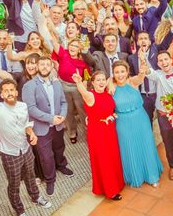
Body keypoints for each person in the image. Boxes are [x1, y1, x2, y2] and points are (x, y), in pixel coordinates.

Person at [0, 78, 51, 216]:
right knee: (14, 183)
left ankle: (36, 197)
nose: (9, 93)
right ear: (2, 95)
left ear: (16, 92)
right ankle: (20, 211)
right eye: (6, 91)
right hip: (9, 154)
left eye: (11, 90)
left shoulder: (23, 106)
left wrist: (31, 133)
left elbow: (26, 124)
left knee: (31, 176)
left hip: (26, 149)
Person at [22, 57, 73, 196]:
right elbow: (31, 109)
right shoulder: (29, 86)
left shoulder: (56, 83)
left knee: (59, 148)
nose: (45, 67)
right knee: (46, 156)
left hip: (57, 126)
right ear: (37, 67)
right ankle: (50, 179)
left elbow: (63, 102)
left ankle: (62, 165)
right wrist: (51, 118)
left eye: (47, 65)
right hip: (41, 128)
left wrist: (62, 116)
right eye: (42, 64)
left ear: (51, 67)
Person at [71, 71, 124, 201]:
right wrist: (78, 82)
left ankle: (115, 184)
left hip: (110, 129)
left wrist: (109, 81)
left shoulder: (107, 93)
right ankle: (110, 191)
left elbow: (111, 78)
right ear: (92, 83)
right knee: (103, 159)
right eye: (98, 80)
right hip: (98, 132)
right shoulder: (90, 96)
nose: (101, 82)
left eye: (103, 80)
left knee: (112, 156)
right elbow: (83, 92)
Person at [111, 60, 163, 188]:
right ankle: (135, 176)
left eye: (122, 71)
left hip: (140, 119)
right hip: (123, 123)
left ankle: (152, 176)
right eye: (117, 72)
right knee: (129, 149)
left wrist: (143, 69)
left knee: (146, 146)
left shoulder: (132, 82)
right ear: (113, 74)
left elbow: (141, 77)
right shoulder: (110, 88)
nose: (120, 75)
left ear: (127, 72)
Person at [147, 50, 173, 181]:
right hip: (164, 114)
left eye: (166, 59)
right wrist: (143, 59)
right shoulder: (157, 75)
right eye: (161, 60)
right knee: (167, 141)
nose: (164, 62)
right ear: (158, 64)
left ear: (171, 60)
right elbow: (148, 71)